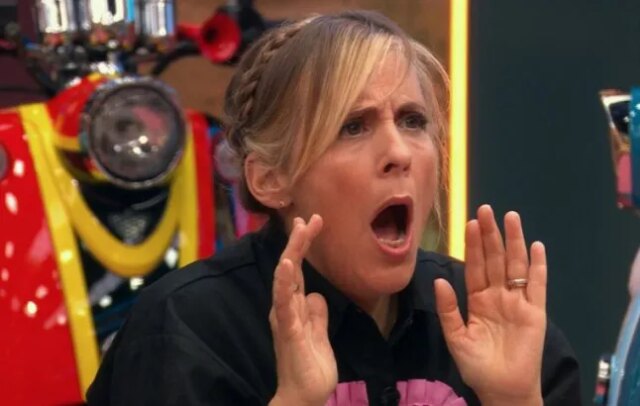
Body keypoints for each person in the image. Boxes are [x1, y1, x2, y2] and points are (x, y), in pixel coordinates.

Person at [87, 10, 581, 406]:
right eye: (353, 126)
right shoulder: (187, 330)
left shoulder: (490, 320)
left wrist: (514, 399)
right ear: (270, 178)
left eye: (412, 121)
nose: (399, 153)